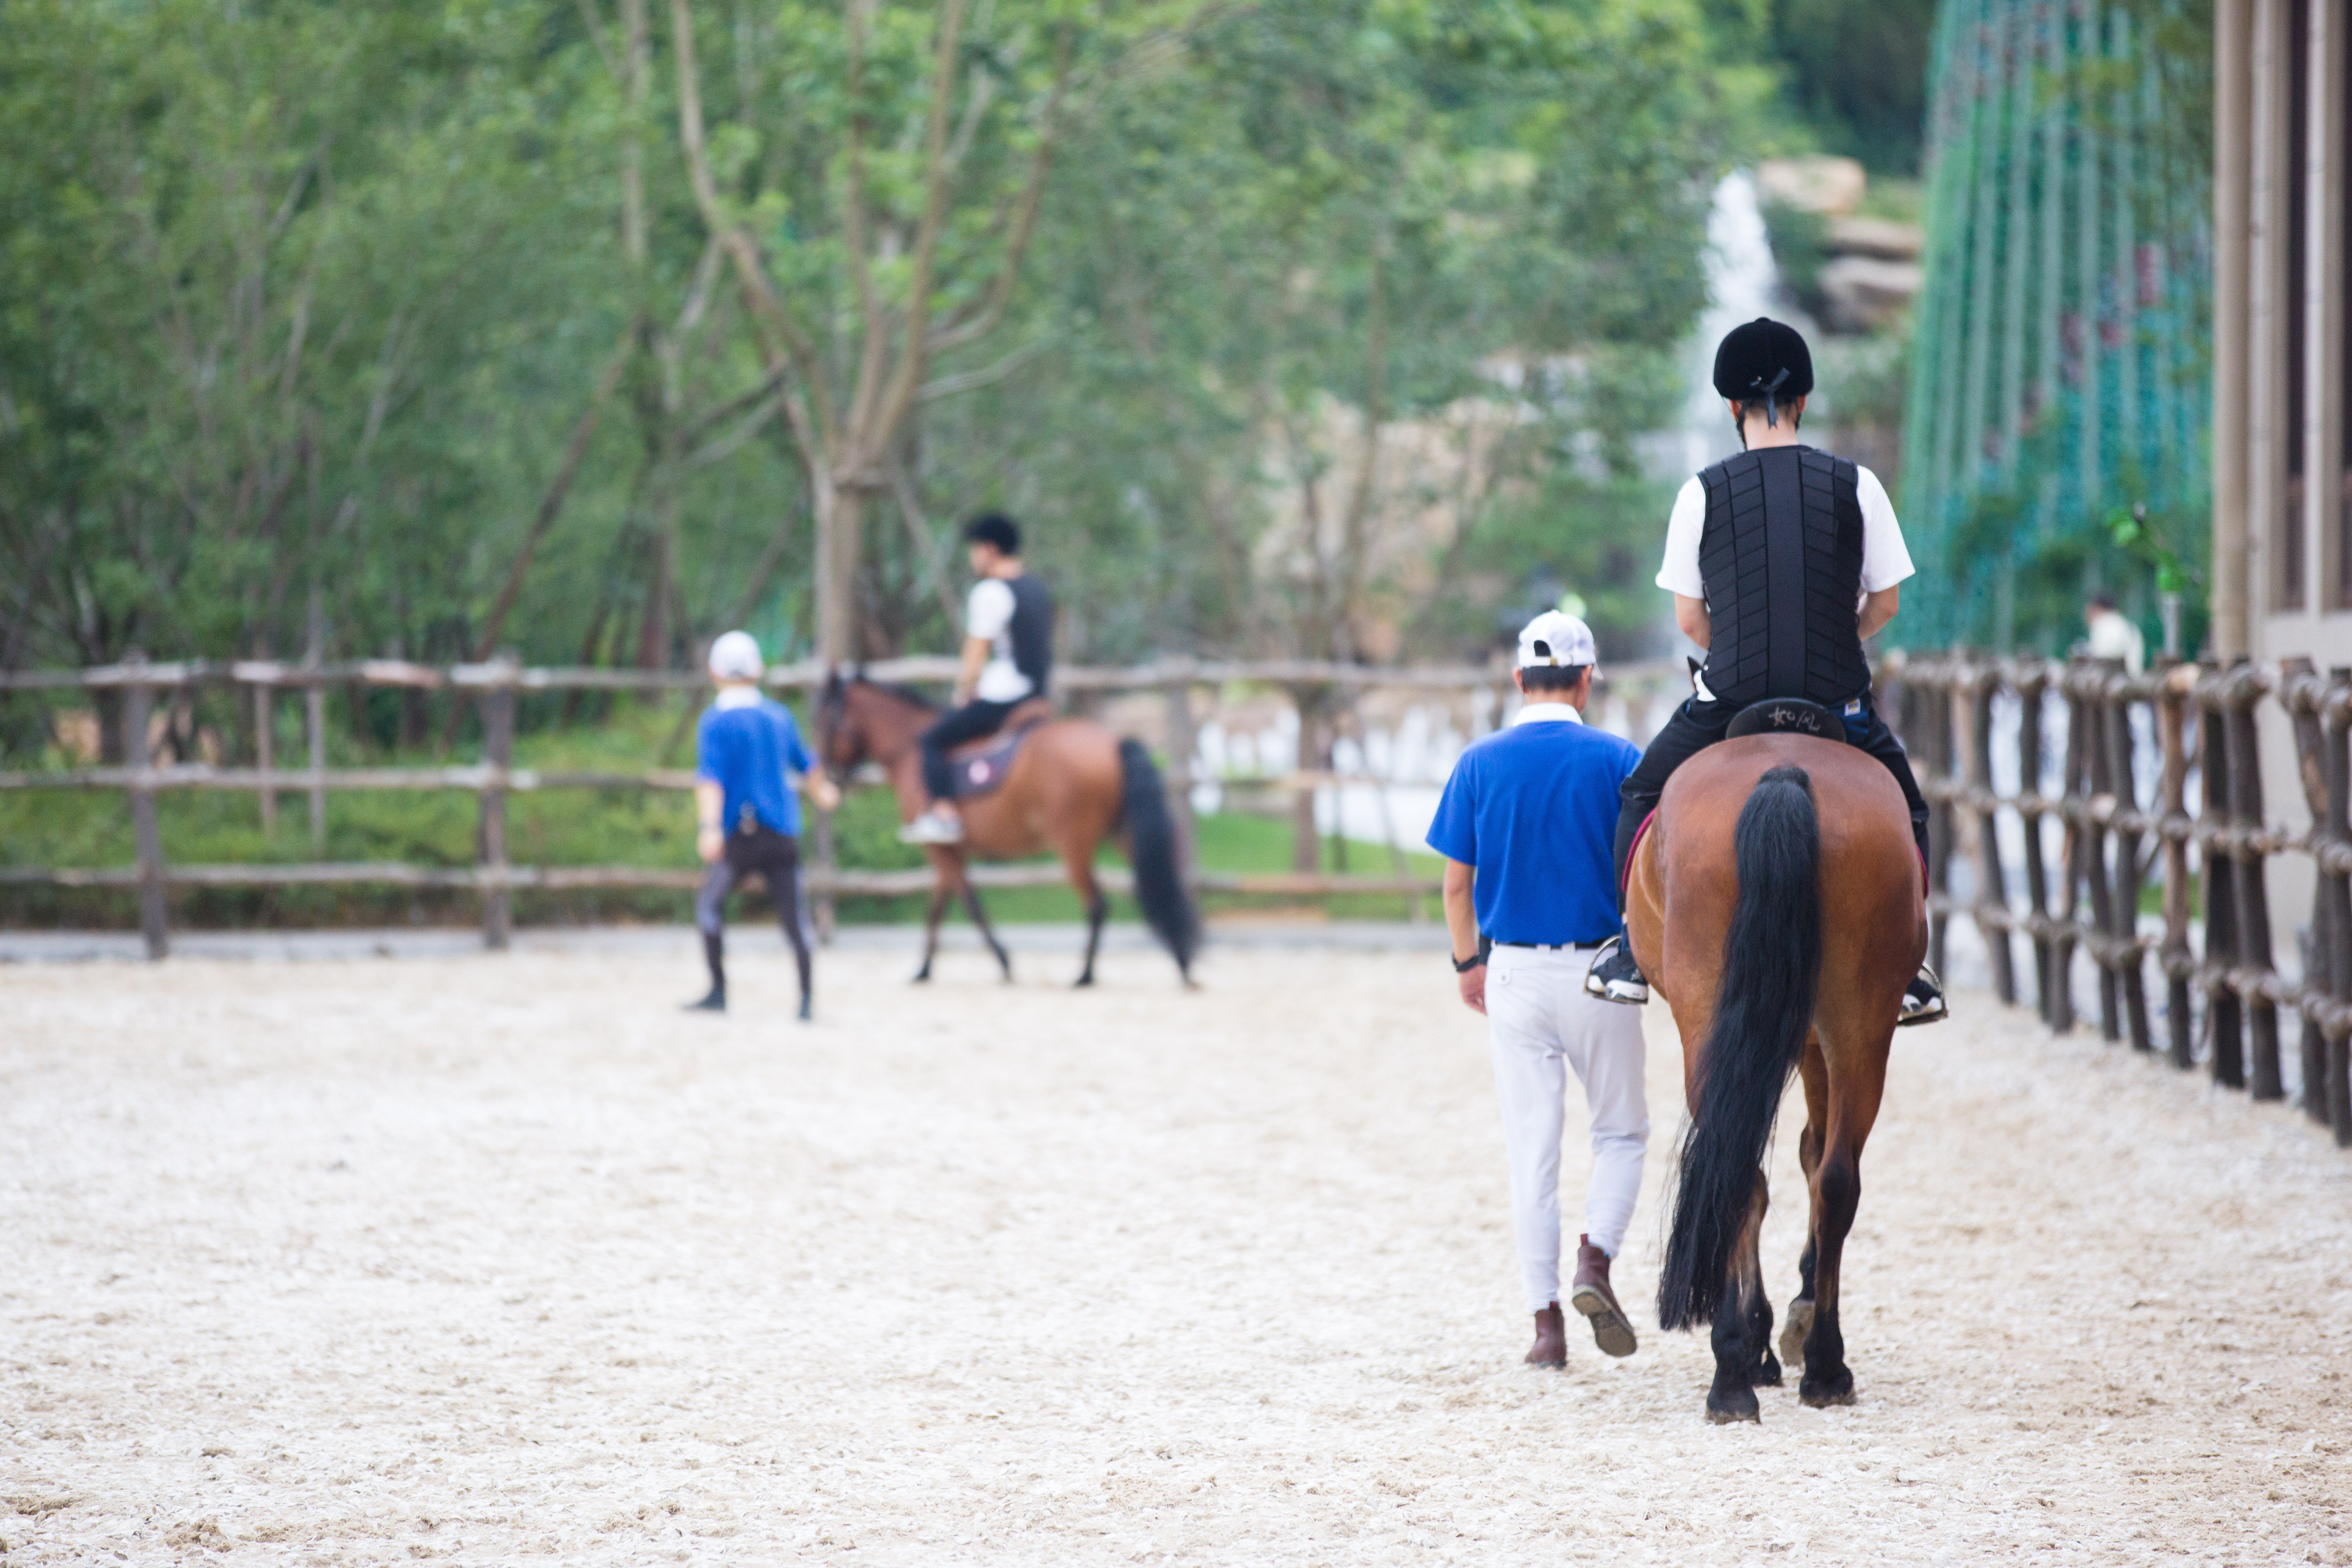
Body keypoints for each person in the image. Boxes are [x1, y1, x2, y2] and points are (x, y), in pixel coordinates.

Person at [1584, 316, 1945, 1027]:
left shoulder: (1700, 492)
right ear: (1803, 401)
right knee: (1908, 809)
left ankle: (1627, 947)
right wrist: (1837, 638)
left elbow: (1689, 620)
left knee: (1639, 795)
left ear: (1731, 407)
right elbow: (1888, 603)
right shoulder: (1860, 485)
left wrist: (1738, 648)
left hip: (1731, 699)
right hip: (1835, 702)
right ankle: (1906, 967)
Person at [1426, 610, 1648, 1369]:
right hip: (1599, 969)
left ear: (1519, 678)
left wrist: (1468, 964)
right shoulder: (1619, 759)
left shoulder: (1478, 763)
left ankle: (1546, 1326)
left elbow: (1456, 886)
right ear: (1586, 681)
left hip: (1514, 971)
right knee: (1621, 1133)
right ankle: (1596, 1257)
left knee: (1532, 1152)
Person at [687, 630, 840, 1020]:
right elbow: (807, 764)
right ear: (757, 671)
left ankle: (718, 992)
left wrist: (709, 828)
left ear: (715, 673)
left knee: (709, 907)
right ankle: (806, 1001)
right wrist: (823, 793)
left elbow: (711, 780)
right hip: (782, 832)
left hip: (738, 835)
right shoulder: (779, 716)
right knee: (795, 919)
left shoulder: (715, 721)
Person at [899, 513, 1055, 845]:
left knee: (932, 739)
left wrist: (964, 691)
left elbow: (976, 653)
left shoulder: (991, 591)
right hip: (1038, 694)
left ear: (989, 549)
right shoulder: (1036, 587)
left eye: (974, 549)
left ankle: (944, 815)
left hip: (1006, 695)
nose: (973, 558)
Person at [2083, 591, 2146, 673]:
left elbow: (2102, 659)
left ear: (2097, 608)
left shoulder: (2103, 625)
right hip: (2134, 678)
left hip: (2113, 677)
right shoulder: (2128, 625)